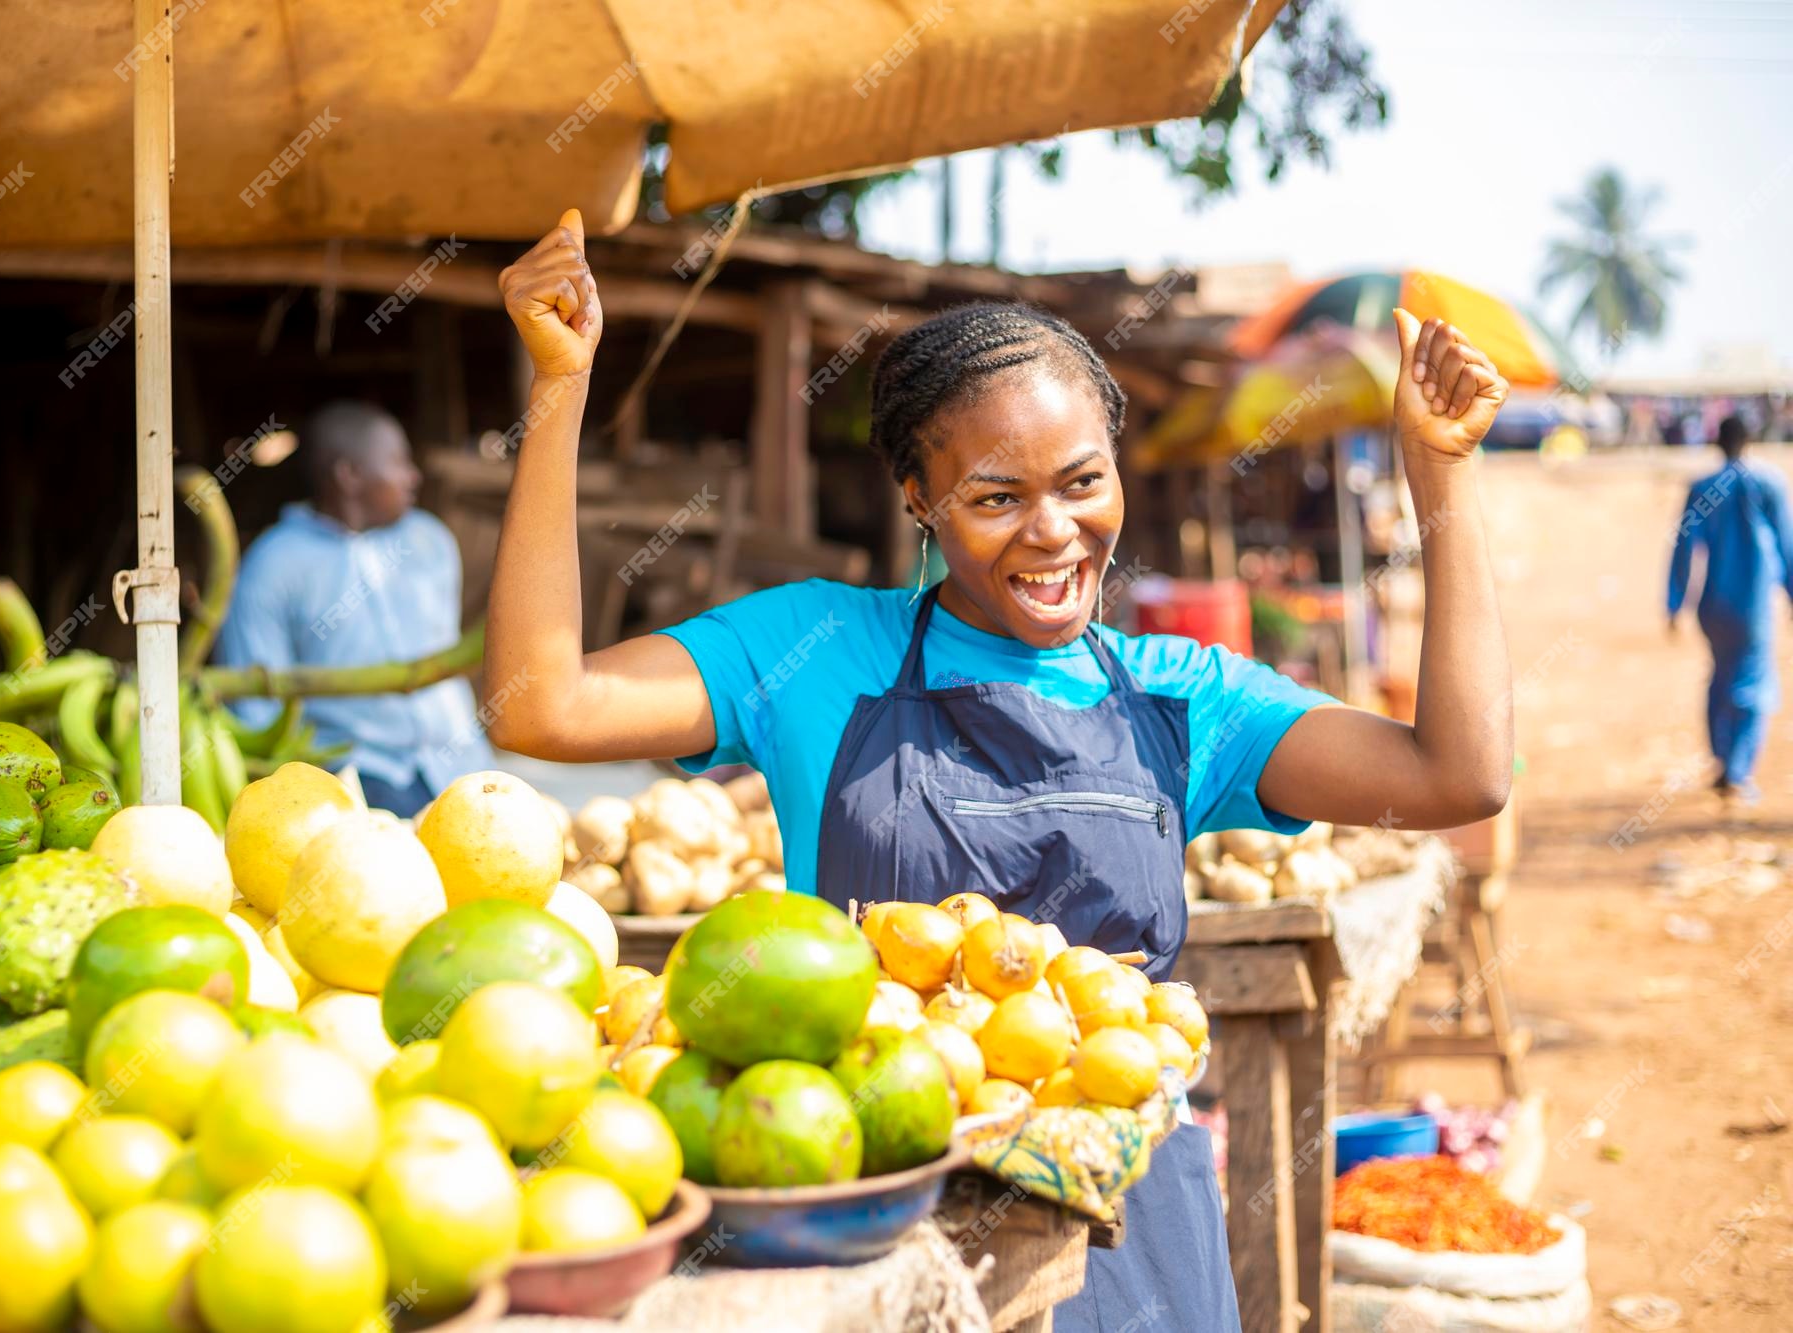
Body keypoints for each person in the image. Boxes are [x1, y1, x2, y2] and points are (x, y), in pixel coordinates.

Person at [481, 212, 1512, 1332]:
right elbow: (543, 703)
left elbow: (1456, 776)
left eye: (1081, 483)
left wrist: (1439, 476)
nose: (1051, 533)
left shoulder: (1183, 696)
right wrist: (557, 385)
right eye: (993, 497)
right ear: (917, 501)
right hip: (886, 1227)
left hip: (1128, 1238)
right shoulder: (818, 651)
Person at [218, 400, 494, 815]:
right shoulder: (271, 566)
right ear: (349, 475)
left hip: (462, 766)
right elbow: (258, 715)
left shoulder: (430, 540)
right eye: (399, 461)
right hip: (357, 782)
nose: (414, 476)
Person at [1666, 415, 1793, 803]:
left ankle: (1723, 760)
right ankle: (1738, 772)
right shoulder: (1769, 483)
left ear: (1717, 442)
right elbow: (1787, 545)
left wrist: (1675, 603)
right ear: (1750, 439)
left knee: (1721, 677)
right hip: (1754, 604)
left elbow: (1684, 548)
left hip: (1713, 605)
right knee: (1752, 683)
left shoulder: (1702, 487)